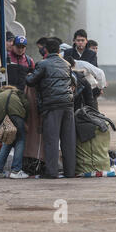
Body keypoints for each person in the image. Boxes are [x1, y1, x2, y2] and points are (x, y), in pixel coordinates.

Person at [26, 38, 76, 179]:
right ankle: (70, 172)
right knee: (68, 140)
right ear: (59, 51)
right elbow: (74, 81)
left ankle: (52, 173)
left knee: (52, 140)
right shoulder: (66, 64)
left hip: (52, 105)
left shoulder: (43, 64)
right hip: (68, 105)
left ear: (46, 50)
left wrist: (29, 74)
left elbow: (30, 81)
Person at [0, 86, 29, 179]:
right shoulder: (17, 92)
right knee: (20, 139)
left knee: (7, 141)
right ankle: (16, 171)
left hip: (2, 117)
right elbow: (26, 104)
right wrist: (25, 119)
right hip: (15, 114)